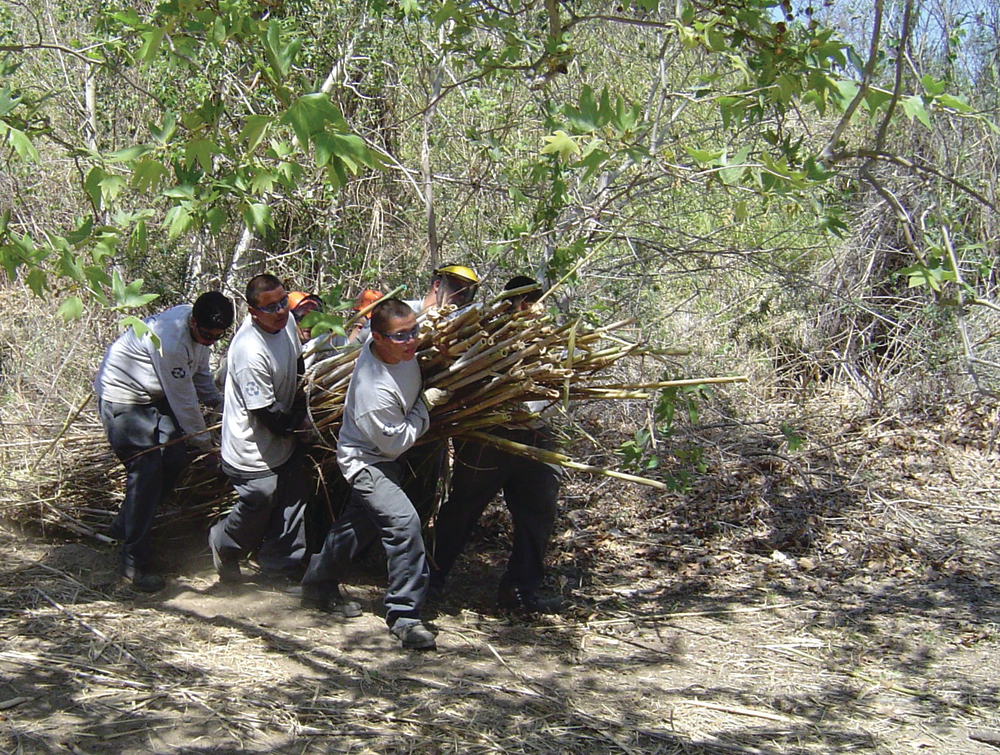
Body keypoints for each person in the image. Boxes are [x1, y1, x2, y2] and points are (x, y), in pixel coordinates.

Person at [299, 297, 450, 650]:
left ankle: (317, 585)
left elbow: (413, 313)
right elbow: (394, 444)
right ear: (377, 338)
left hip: (384, 454)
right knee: (404, 523)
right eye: (401, 336)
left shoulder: (396, 348)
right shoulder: (374, 391)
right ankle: (404, 616)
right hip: (368, 461)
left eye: (414, 331)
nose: (411, 340)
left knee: (358, 525)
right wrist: (424, 407)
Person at [430, 276, 562, 615]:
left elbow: (562, 388)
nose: (540, 309)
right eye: (533, 302)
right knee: (463, 508)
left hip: (538, 436)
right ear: (520, 304)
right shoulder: (487, 336)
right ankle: (428, 579)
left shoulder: (550, 340)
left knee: (538, 514)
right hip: (490, 436)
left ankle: (520, 589)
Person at [95, 291, 234, 592]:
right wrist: (207, 447)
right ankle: (133, 565)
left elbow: (201, 375)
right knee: (146, 470)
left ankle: (124, 523)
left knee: (175, 459)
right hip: (123, 398)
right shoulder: (171, 340)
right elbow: (185, 403)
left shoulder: (200, 334)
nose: (210, 340)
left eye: (217, 337)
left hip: (154, 396)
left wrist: (221, 403)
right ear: (193, 321)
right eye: (206, 334)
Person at [209, 274, 310, 584]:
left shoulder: (286, 322)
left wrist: (302, 397)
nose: (281, 311)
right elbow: (266, 413)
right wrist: (302, 424)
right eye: (271, 307)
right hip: (251, 448)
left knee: (295, 495)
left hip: (283, 439)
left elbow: (297, 361)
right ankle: (223, 541)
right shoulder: (249, 351)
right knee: (261, 499)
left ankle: (281, 569)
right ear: (253, 311)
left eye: (283, 301)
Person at [400, 264, 480, 523]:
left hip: (430, 428)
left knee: (420, 497)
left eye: (468, 294)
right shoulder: (403, 313)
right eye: (458, 291)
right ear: (437, 286)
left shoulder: (461, 328)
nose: (462, 299)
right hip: (390, 424)